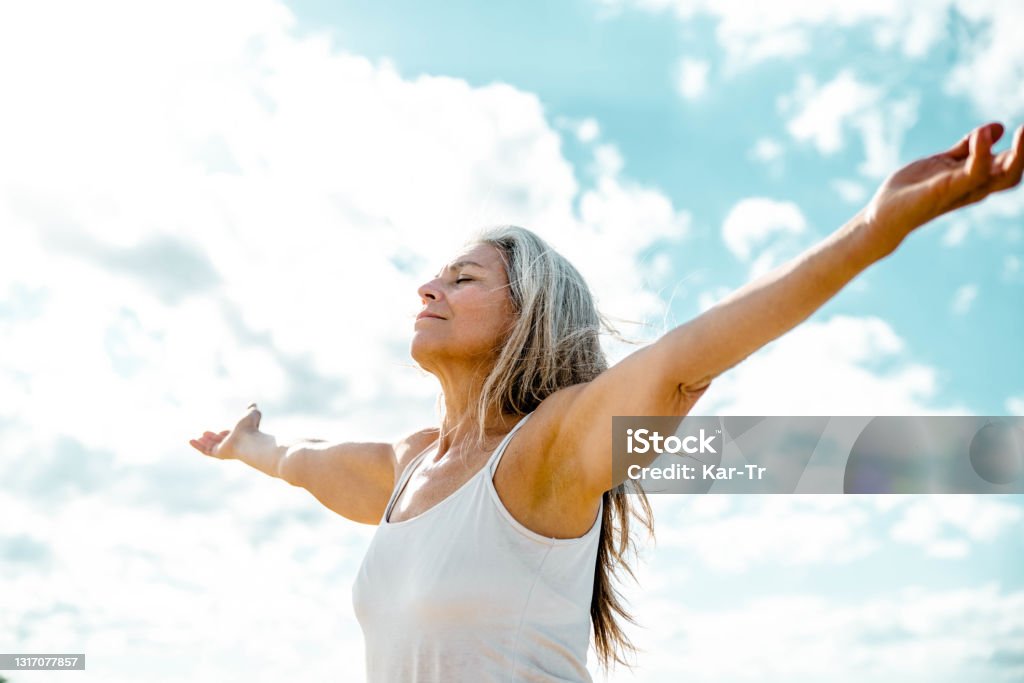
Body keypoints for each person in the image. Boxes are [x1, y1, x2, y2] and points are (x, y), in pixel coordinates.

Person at [189, 122, 1023, 681]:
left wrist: (876, 227)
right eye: (437, 273)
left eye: (463, 277)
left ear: (529, 317)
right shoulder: (407, 467)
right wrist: (248, 446)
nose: (429, 286)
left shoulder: (549, 452)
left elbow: (692, 354)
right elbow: (302, 463)